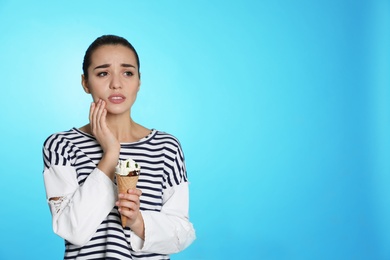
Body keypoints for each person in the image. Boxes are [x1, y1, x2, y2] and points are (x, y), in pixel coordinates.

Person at [42, 35, 196, 259]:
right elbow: (72, 230)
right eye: (103, 73)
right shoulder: (61, 146)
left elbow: (182, 234)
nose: (116, 83)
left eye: (128, 73)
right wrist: (111, 154)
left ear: (139, 82)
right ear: (85, 82)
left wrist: (138, 221)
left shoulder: (166, 147)